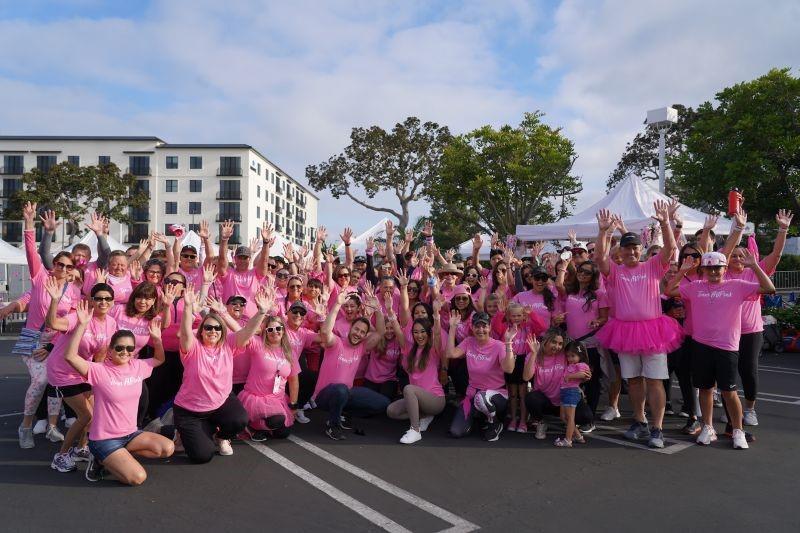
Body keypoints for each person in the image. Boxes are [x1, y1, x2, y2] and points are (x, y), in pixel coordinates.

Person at [594, 203, 683, 449]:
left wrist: (666, 223)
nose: (631, 252)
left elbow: (671, 248)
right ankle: (639, 420)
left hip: (653, 331)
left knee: (654, 381)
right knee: (633, 380)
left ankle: (657, 427)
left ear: (641, 249)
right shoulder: (614, 271)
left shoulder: (653, 266)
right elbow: (600, 258)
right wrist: (603, 232)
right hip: (625, 331)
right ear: (620, 252)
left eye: (635, 247)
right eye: (627, 248)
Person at [667, 250, 775, 449]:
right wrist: (682, 271)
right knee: (706, 389)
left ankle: (738, 430)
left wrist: (754, 266)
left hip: (727, 347)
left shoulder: (737, 285)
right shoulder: (695, 287)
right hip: (701, 345)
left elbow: (769, 288)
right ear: (704, 269)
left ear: (725, 269)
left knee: (729, 391)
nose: (713, 272)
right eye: (709, 268)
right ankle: (708, 427)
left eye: (717, 268)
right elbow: (669, 290)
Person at [63, 303, 174, 484]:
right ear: (110, 350)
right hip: (104, 439)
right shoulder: (98, 370)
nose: (125, 352)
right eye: (120, 348)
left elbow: (159, 359)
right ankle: (99, 458)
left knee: (167, 448)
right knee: (138, 478)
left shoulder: (138, 366)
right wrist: (81, 326)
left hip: (130, 434)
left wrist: (157, 339)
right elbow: (70, 357)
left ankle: (115, 457)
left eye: (130, 349)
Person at [172, 284, 268, 463]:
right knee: (202, 456)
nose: (213, 331)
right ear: (201, 331)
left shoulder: (228, 344)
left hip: (220, 401)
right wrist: (187, 307)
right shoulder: (192, 347)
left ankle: (221, 436)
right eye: (208, 328)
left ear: (222, 331)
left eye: (217, 328)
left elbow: (247, 332)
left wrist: (262, 311)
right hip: (190, 410)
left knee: (239, 419)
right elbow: (185, 333)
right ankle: (172, 429)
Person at [16, 202, 81, 449]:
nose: (63, 269)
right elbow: (31, 250)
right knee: (41, 380)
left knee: (55, 380)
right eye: (59, 264)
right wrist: (32, 223)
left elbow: (70, 323)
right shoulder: (40, 277)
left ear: (73, 270)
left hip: (55, 342)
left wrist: (53, 346)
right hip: (31, 338)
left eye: (68, 266)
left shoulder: (74, 291)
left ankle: (53, 426)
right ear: (53, 265)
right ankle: (25, 426)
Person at [723, 209, 792, 427]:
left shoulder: (755, 271)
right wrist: (738, 228)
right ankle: (731, 411)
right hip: (726, 333)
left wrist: (783, 229)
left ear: (749, 257)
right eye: (733, 256)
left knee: (749, 371)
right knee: (728, 374)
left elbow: (776, 255)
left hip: (751, 331)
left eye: (741, 255)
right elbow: (723, 253)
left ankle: (750, 409)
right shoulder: (721, 273)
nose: (736, 258)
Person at [46, 280, 117, 472]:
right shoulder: (79, 317)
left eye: (107, 299)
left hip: (82, 370)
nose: (103, 302)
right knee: (86, 415)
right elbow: (52, 323)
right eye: (98, 298)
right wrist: (54, 300)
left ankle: (80, 449)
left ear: (113, 301)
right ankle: (60, 456)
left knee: (96, 414)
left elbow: (101, 354)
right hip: (60, 371)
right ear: (91, 300)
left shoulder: (111, 323)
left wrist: (98, 380)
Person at [313, 290, 389, 441]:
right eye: (356, 329)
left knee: (383, 403)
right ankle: (333, 425)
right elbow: (325, 331)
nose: (358, 334)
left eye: (362, 332)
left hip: (345, 394)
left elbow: (381, 332)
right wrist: (337, 304)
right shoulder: (336, 343)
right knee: (341, 389)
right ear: (350, 329)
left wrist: (378, 309)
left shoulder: (361, 348)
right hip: (324, 396)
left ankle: (342, 413)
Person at [446, 312, 516, 442]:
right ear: (472, 328)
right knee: (456, 431)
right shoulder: (468, 342)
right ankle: (480, 418)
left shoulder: (498, 346)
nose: (481, 330)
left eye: (484, 326)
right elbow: (451, 353)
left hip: (496, 395)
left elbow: (509, 369)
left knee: (481, 398)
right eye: (477, 326)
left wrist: (508, 343)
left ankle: (495, 423)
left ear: (489, 327)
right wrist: (452, 328)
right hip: (473, 394)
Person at [555, 260, 608, 430]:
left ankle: (588, 419)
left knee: (590, 381)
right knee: (572, 381)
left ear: (593, 276)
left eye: (587, 272)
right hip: (571, 344)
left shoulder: (599, 293)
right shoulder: (571, 291)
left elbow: (605, 317)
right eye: (580, 271)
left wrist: (597, 321)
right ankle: (573, 417)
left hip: (590, 344)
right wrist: (564, 266)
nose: (582, 274)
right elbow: (558, 285)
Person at [386, 298, 447, 444]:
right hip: (418, 399)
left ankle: (415, 430)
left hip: (435, 399)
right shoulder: (409, 350)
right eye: (415, 332)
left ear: (428, 332)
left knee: (408, 389)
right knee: (391, 411)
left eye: (423, 332)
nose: (419, 335)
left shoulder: (433, 350)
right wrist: (389, 311)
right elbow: (398, 331)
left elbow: (437, 335)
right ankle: (424, 416)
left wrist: (437, 314)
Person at [237, 315, 301, 441]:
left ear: (283, 330)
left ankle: (259, 426)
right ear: (265, 331)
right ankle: (251, 426)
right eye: (270, 329)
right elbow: (241, 333)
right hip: (255, 399)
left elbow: (294, 380)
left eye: (278, 328)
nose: (275, 332)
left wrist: (293, 405)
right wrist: (223, 313)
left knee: (282, 433)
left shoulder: (289, 352)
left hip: (277, 400)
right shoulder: (257, 344)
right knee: (277, 420)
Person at [524, 329, 594, 440]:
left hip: (566, 399)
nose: (557, 346)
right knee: (531, 398)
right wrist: (533, 354)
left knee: (586, 417)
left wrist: (585, 376)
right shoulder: (534, 355)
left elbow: (582, 372)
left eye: (560, 343)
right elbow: (526, 377)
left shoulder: (566, 355)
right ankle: (541, 422)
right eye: (554, 342)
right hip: (546, 401)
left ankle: (569, 422)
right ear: (545, 341)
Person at [555, 341, 592, 447]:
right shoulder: (571, 365)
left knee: (570, 417)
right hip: (565, 391)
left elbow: (583, 374)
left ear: (580, 355)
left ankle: (568, 440)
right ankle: (578, 436)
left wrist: (570, 377)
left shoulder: (581, 365)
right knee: (563, 416)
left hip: (571, 391)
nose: (570, 358)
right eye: (568, 356)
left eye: (573, 356)